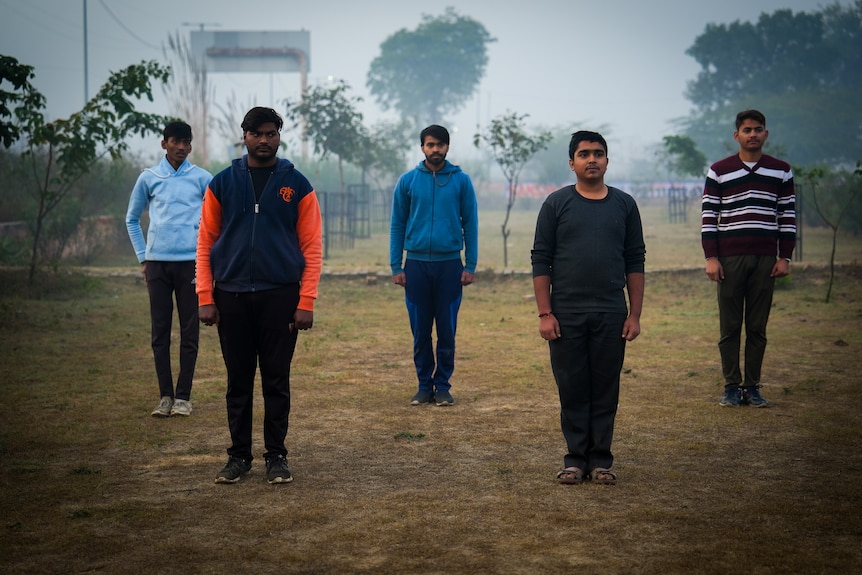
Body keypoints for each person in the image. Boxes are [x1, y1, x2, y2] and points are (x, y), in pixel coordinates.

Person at [196, 106, 322, 485]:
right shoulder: (222, 183)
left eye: (271, 133)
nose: (264, 140)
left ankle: (277, 456)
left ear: (279, 137)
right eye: (257, 134)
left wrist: (306, 301)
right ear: (245, 137)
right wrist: (205, 294)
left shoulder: (297, 185)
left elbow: (312, 247)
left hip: (280, 297)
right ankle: (238, 457)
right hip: (231, 297)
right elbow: (205, 243)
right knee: (238, 381)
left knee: (276, 380)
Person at [531, 131, 645, 486]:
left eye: (598, 153)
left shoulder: (624, 205)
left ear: (607, 161)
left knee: (605, 388)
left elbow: (635, 260)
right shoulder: (555, 204)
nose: (591, 159)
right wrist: (545, 313)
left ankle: (601, 461)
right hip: (566, 314)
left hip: (611, 311)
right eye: (584, 154)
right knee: (573, 387)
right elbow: (541, 260)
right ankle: (575, 460)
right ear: (572, 163)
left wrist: (634, 314)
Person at [702, 109, 796, 408]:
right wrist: (711, 258)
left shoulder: (781, 170)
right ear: (736, 136)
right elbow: (709, 217)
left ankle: (751, 387)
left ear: (765, 134)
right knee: (729, 327)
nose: (752, 134)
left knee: (757, 327)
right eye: (747, 130)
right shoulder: (719, 170)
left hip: (765, 260)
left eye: (758, 129)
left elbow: (788, 216)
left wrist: (786, 257)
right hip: (729, 259)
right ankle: (731, 387)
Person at [126, 121, 212, 418]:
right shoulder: (149, 178)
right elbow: (132, 219)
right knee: (160, 331)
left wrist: (207, 256)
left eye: (187, 142)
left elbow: (216, 219)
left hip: (191, 264)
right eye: (176, 141)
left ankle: (183, 397)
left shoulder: (202, 178)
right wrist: (143, 257)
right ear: (164, 143)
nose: (182, 147)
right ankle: (165, 396)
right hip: (157, 266)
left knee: (190, 331)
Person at [390, 124, 478, 407]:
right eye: (430, 145)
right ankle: (423, 386)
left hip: (450, 266)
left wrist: (471, 264)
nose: (435, 149)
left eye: (440, 145)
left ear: (447, 147)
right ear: (422, 148)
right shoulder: (407, 181)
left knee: (447, 330)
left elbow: (471, 224)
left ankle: (443, 386)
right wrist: (396, 265)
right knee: (420, 330)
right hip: (415, 265)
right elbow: (397, 225)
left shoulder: (461, 181)